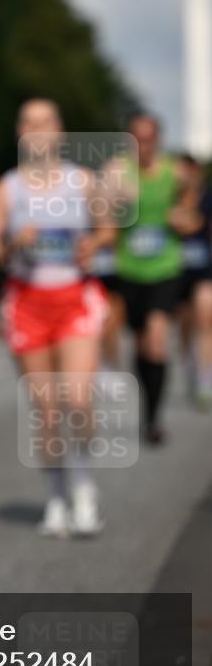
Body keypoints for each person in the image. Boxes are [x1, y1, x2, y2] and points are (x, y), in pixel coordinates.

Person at [0, 99, 114, 538]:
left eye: (46, 122)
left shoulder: (84, 182)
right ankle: (56, 499)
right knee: (47, 410)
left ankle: (85, 490)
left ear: (60, 131)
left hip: (75, 299)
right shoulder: (7, 189)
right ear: (20, 133)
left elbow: (108, 229)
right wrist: (14, 243)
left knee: (77, 400)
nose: (38, 130)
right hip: (26, 303)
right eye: (29, 123)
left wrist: (94, 246)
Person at [111, 115, 199, 443]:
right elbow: (99, 214)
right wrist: (119, 202)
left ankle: (152, 419)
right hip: (130, 269)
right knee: (140, 344)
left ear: (158, 139)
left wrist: (183, 218)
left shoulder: (175, 172)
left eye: (148, 139)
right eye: (137, 139)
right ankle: (147, 402)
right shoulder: (117, 171)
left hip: (165, 267)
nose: (143, 146)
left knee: (158, 338)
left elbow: (192, 215)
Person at [176, 155, 212, 409]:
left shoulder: (207, 198)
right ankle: (188, 357)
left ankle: (205, 378)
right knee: (185, 322)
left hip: (204, 270)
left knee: (205, 319)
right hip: (176, 271)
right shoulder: (169, 199)